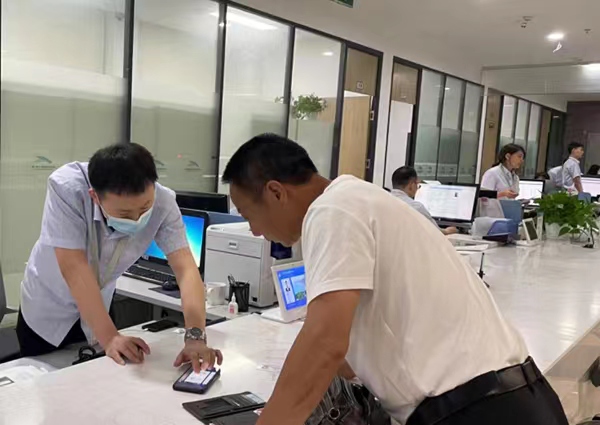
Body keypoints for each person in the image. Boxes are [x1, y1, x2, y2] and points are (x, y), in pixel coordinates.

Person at [222, 134, 568, 425]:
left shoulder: (331, 211)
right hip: (518, 399)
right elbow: (345, 355)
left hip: (477, 411)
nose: (254, 230)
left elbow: (324, 344)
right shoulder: (362, 199)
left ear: (276, 192)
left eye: (248, 214)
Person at [17, 143, 222, 372]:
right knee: (42, 380)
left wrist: (195, 337)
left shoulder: (163, 202)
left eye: (145, 208)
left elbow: (186, 269)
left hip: (98, 305)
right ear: (95, 197)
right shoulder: (67, 189)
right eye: (124, 213)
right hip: (48, 307)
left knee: (101, 376)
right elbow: (73, 266)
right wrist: (110, 337)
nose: (136, 219)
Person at [390, 166, 457, 235]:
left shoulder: (386, 201)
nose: (417, 188)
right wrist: (447, 231)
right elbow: (436, 232)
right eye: (417, 185)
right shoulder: (416, 207)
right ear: (411, 185)